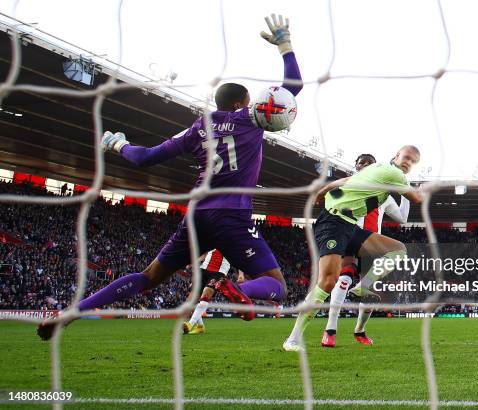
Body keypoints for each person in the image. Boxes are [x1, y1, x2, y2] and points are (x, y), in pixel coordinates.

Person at [38, 14, 302, 340]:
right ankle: (231, 287)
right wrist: (285, 46)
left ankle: (72, 313)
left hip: (197, 215)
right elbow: (293, 88)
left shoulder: (197, 127)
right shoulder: (250, 120)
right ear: (239, 103)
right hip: (233, 214)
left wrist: (118, 144)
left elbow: (146, 158)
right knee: (277, 284)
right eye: (248, 101)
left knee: (147, 276)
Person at [283, 145, 421, 352]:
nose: (408, 162)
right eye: (406, 157)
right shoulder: (394, 174)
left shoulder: (374, 175)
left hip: (350, 226)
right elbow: (417, 199)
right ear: (396, 156)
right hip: (333, 223)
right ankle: (294, 339)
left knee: (398, 249)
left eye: (413, 161)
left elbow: (342, 181)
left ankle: (362, 293)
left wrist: (321, 193)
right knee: (328, 281)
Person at [321, 154, 411, 348]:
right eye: (361, 162)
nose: (364, 166)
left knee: (368, 289)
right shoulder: (348, 186)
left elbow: (402, 218)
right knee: (345, 277)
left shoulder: (384, 194)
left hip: (371, 243)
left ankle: (359, 330)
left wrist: (406, 192)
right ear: (355, 166)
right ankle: (330, 330)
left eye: (369, 163)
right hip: (348, 235)